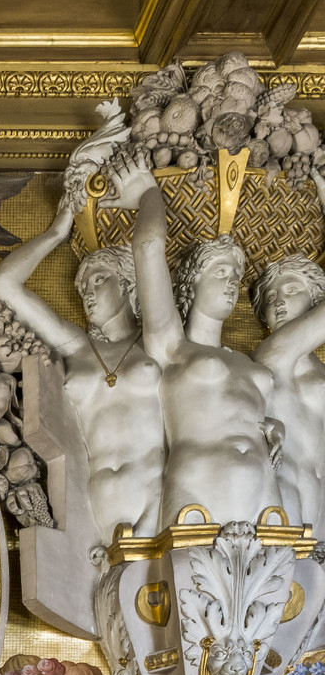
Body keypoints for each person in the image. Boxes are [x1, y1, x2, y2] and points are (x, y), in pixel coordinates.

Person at [112, 150, 286, 528]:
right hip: (198, 484)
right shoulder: (172, 346)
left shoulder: (251, 360)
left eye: (236, 276)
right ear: (191, 282)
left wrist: (275, 425)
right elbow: (148, 247)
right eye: (220, 272)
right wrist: (148, 193)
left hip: (265, 489)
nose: (231, 283)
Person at [0, 208, 164, 544]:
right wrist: (56, 233)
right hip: (96, 506)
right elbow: (3, 285)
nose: (89, 294)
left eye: (99, 280)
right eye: (83, 288)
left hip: (154, 502)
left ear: (128, 284)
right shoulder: (78, 348)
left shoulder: (158, 344)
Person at [253, 255, 325, 538]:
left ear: (315, 299)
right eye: (271, 297)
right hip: (284, 488)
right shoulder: (270, 355)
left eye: (292, 290)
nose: (279, 302)